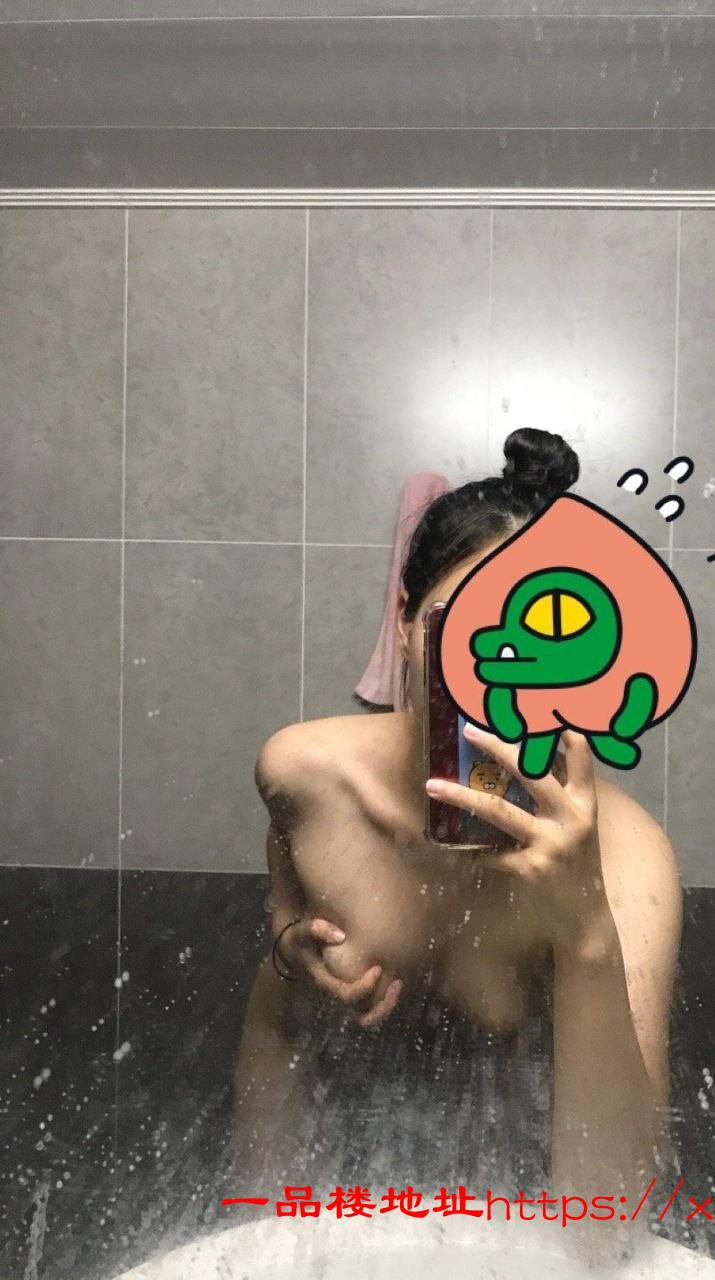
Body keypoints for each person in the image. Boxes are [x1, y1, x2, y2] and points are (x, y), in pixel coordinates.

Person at [232, 428, 682, 1235]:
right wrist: (292, 957)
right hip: (331, 1191)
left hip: (529, 1216)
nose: (494, 669)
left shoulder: (626, 855)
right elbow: (282, 999)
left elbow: (612, 1218)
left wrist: (585, 927)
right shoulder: (303, 776)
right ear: (403, 621)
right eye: (462, 628)